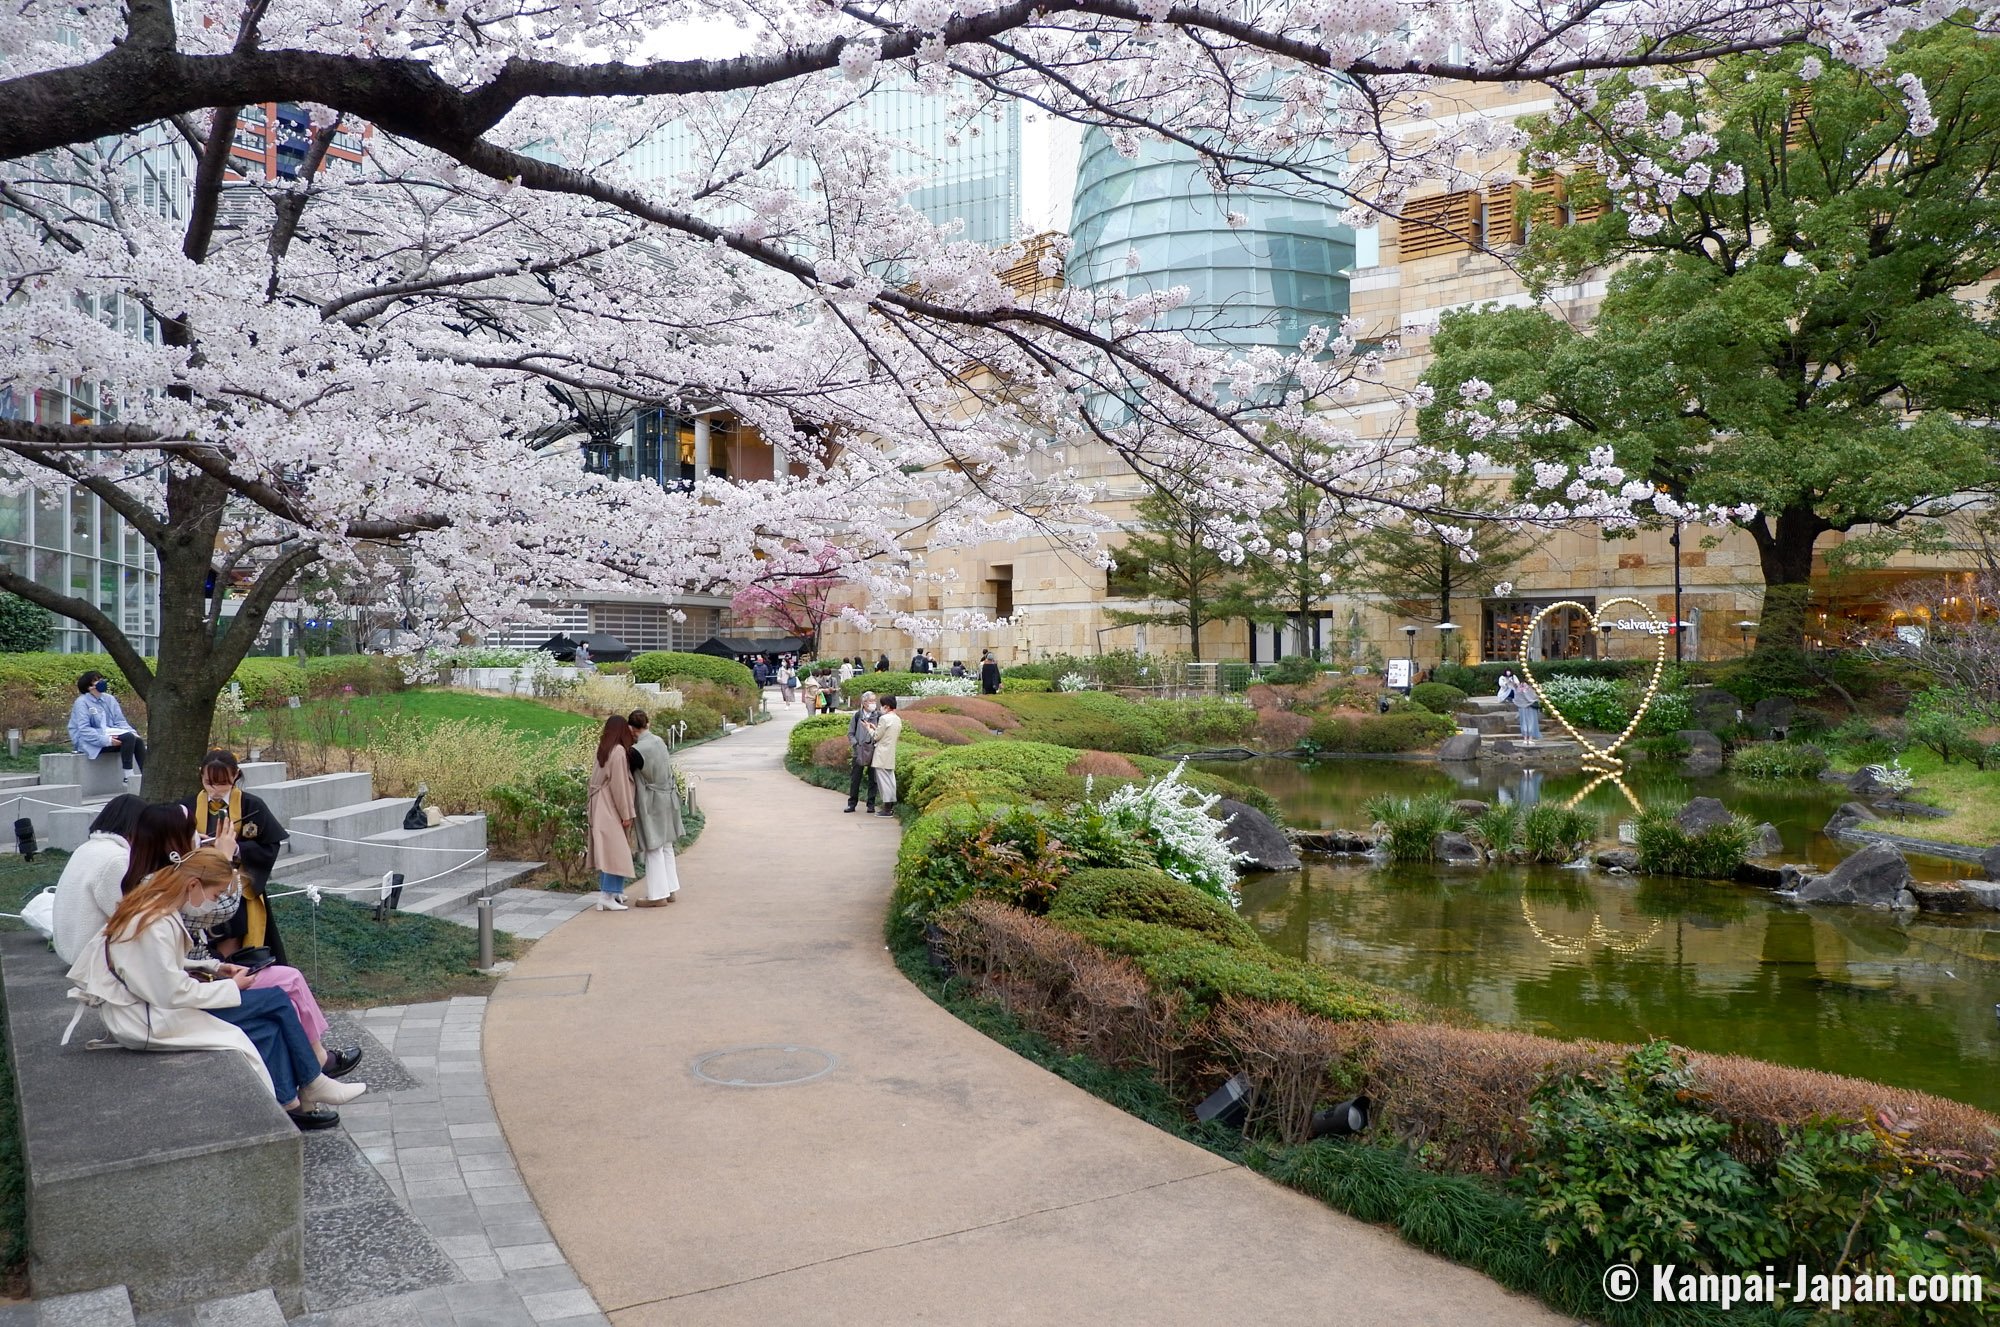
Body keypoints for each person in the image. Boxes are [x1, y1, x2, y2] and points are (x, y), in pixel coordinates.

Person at [65, 848, 366, 1131]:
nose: (215, 900)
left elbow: (153, 967)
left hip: (146, 1009)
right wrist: (230, 987)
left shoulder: (152, 906)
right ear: (194, 884)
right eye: (216, 893)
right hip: (148, 1018)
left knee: (267, 1023)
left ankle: (290, 1103)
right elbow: (171, 992)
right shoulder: (154, 921)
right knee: (275, 999)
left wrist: (214, 967)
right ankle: (312, 1080)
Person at [127, 800, 360, 1080]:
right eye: (191, 831)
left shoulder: (148, 879)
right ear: (173, 840)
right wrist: (225, 860)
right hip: (192, 989)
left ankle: (312, 1070)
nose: (198, 837)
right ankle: (314, 1071)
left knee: (288, 982)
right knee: (282, 992)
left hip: (202, 974)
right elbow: (222, 909)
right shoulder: (163, 885)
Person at [180, 750, 289, 965]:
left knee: (235, 927)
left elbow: (270, 846)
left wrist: (236, 849)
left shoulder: (252, 806)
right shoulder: (187, 807)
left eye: (223, 784)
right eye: (209, 783)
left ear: (236, 776)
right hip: (198, 888)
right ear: (200, 775)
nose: (216, 790)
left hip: (240, 886)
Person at [51, 794, 145, 965]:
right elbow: (127, 915)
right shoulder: (116, 859)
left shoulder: (87, 848)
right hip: (91, 956)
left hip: (71, 947)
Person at [626, 711, 684, 907]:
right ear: (648, 724)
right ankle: (670, 889)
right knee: (667, 844)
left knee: (653, 847)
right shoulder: (659, 741)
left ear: (631, 729)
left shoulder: (636, 751)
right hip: (668, 796)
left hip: (651, 801)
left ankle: (657, 894)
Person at [587, 714, 639, 911]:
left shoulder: (603, 749)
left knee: (609, 850)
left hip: (599, 804)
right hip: (609, 806)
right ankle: (607, 895)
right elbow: (620, 786)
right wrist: (626, 813)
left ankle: (612, 892)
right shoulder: (617, 752)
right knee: (615, 850)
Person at [67, 671, 145, 784]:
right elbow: (84, 730)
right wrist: (107, 741)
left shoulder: (110, 699)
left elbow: (120, 721)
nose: (101, 682)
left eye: (100, 678)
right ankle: (128, 776)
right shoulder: (82, 702)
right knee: (128, 737)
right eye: (96, 680)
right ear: (89, 687)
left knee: (136, 739)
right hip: (90, 742)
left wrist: (133, 733)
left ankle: (147, 776)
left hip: (112, 735)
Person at [843, 692, 880, 814]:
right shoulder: (857, 715)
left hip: (873, 751)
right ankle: (852, 803)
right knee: (855, 778)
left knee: (872, 779)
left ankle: (871, 804)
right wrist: (855, 744)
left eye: (874, 701)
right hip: (858, 752)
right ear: (864, 703)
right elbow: (850, 733)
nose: (873, 703)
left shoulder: (878, 716)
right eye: (871, 701)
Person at [869, 697, 903, 817]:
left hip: (881, 754)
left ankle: (887, 809)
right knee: (890, 780)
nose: (880, 707)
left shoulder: (884, 718)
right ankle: (890, 807)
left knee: (884, 783)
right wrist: (876, 729)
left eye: (882, 705)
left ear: (887, 706)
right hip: (890, 753)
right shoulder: (897, 719)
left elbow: (876, 737)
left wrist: (869, 729)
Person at [1512, 673, 1543, 742]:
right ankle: (1530, 738)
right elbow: (1533, 696)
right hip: (1530, 706)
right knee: (1531, 721)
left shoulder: (1519, 686)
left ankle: (1525, 738)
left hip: (1522, 706)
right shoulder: (1529, 687)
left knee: (1524, 722)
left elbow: (1517, 696)